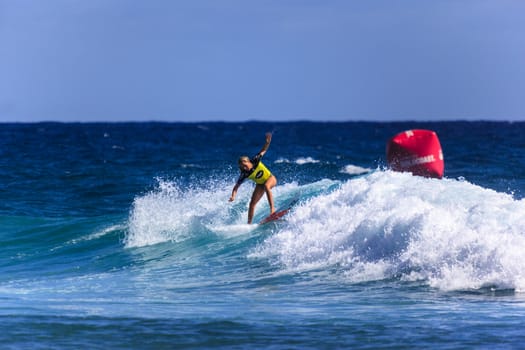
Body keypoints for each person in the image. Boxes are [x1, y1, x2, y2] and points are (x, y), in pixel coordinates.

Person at [229, 133, 277, 224]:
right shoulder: (244, 174)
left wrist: (267, 142)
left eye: (245, 165)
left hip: (271, 179)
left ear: (248, 161)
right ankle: (249, 223)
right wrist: (233, 196)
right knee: (252, 204)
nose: (244, 168)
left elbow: (263, 150)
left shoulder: (255, 160)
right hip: (260, 184)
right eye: (242, 167)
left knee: (267, 186)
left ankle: (272, 210)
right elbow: (236, 187)